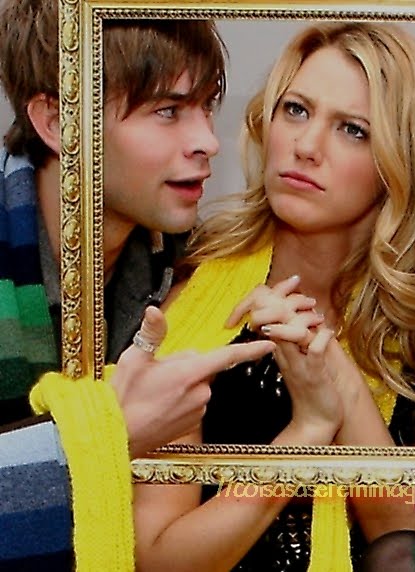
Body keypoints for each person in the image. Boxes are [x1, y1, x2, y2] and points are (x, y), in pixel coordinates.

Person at [132, 21, 415, 572]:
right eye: (296, 110)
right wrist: (306, 431)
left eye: (352, 129)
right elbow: (158, 559)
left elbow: (412, 548)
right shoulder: (199, 300)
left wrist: (334, 370)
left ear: (399, 161)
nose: (306, 146)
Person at [0, 1, 275, 569]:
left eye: (206, 106)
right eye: (167, 111)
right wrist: (104, 435)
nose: (208, 141)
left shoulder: (191, 271)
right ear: (58, 122)